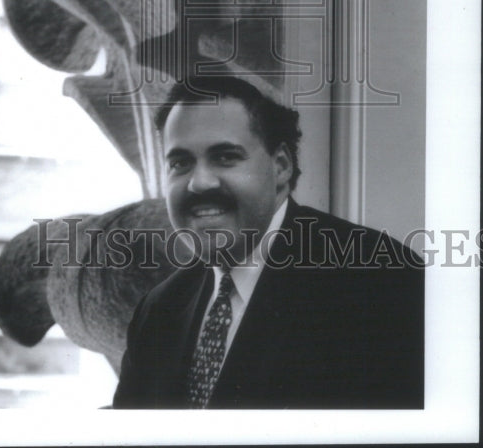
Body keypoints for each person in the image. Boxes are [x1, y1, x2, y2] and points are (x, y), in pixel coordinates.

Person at [113, 76, 424, 409]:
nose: (199, 183)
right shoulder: (159, 310)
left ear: (281, 167)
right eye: (180, 163)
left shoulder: (380, 282)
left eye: (225, 157)